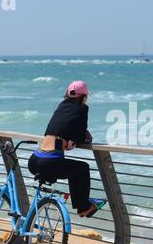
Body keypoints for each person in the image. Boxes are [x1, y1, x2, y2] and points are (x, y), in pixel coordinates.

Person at [28, 80, 106, 218]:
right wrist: (82, 138)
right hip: (49, 163)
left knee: (72, 169)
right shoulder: (82, 109)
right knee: (83, 168)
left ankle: (81, 205)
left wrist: (70, 139)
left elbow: (59, 129)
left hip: (35, 160)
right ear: (84, 97)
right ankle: (84, 208)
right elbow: (81, 134)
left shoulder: (61, 106)